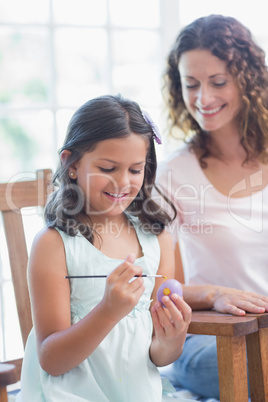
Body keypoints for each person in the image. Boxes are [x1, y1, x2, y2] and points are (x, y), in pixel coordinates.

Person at [18, 94, 192, 402]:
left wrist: (173, 338)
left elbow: (158, 356)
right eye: (108, 168)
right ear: (71, 164)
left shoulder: (156, 239)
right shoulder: (54, 244)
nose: (123, 182)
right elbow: (51, 360)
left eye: (135, 169)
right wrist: (107, 311)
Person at [156, 14, 268, 399]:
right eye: (191, 85)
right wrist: (216, 295)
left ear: (248, 80)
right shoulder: (173, 174)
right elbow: (162, 287)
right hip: (210, 340)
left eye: (218, 82)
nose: (203, 99)